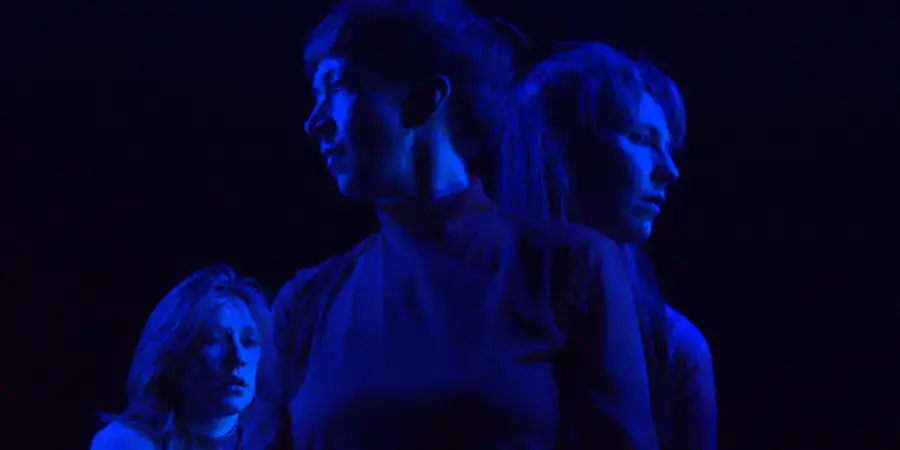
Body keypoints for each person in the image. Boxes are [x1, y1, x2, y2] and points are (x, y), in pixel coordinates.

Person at [243, 1, 658, 449]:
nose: (314, 122)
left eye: (338, 85)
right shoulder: (305, 302)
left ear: (425, 98)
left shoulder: (569, 268)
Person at [495, 42, 717, 449]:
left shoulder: (675, 348)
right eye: (640, 137)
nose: (669, 169)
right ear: (561, 150)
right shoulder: (455, 312)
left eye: (667, 146)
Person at [90, 265, 270, 450]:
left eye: (249, 341)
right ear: (175, 355)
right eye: (214, 340)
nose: (238, 357)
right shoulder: (124, 443)